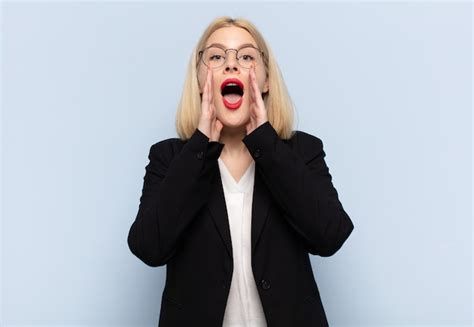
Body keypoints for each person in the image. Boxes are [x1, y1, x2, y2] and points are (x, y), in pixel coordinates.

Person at [127, 16, 354, 327]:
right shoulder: (169, 158)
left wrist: (264, 140)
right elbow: (149, 248)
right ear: (199, 79)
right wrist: (201, 143)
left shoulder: (302, 151)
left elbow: (330, 236)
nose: (231, 65)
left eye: (246, 56)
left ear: (265, 81)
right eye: (217, 56)